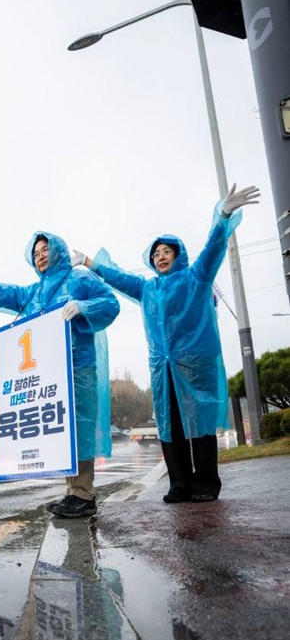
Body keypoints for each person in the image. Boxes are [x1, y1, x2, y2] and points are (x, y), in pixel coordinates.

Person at [72, 184, 260, 503]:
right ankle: (179, 485)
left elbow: (214, 247)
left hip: (195, 364)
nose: (161, 257)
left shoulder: (195, 277)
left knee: (199, 424)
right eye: (156, 254)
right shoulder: (148, 289)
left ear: (177, 255)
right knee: (170, 426)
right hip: (163, 369)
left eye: (166, 252)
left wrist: (223, 214)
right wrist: (90, 262)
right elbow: (119, 278)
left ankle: (205, 485)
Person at [0, 231, 120, 518]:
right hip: (49, 371)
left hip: (78, 366)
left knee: (80, 429)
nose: (40, 256)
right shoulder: (35, 292)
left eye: (45, 250)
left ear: (58, 251)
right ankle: (73, 492)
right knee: (63, 432)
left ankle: (83, 494)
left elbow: (111, 303)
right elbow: (0, 292)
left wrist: (82, 307)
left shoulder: (80, 279)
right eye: (36, 252)